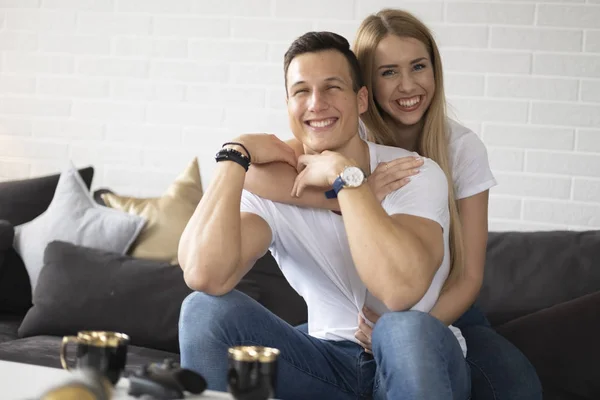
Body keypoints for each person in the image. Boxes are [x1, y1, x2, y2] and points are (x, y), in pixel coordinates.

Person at [243, 8, 542, 400]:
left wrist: (410, 334)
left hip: (445, 308)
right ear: (364, 87)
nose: (407, 85)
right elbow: (255, 172)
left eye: (418, 66)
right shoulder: (345, 128)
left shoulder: (461, 148)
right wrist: (352, 190)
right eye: (388, 72)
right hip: (356, 317)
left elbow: (468, 277)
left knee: (518, 386)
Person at [178, 31, 471, 399]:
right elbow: (205, 275)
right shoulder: (273, 188)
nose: (316, 103)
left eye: (332, 87)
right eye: (301, 91)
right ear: (288, 105)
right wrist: (232, 158)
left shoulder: (412, 171)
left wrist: (345, 179)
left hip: (413, 357)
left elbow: (400, 292)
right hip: (325, 364)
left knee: (402, 329)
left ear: (361, 99)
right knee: (203, 310)